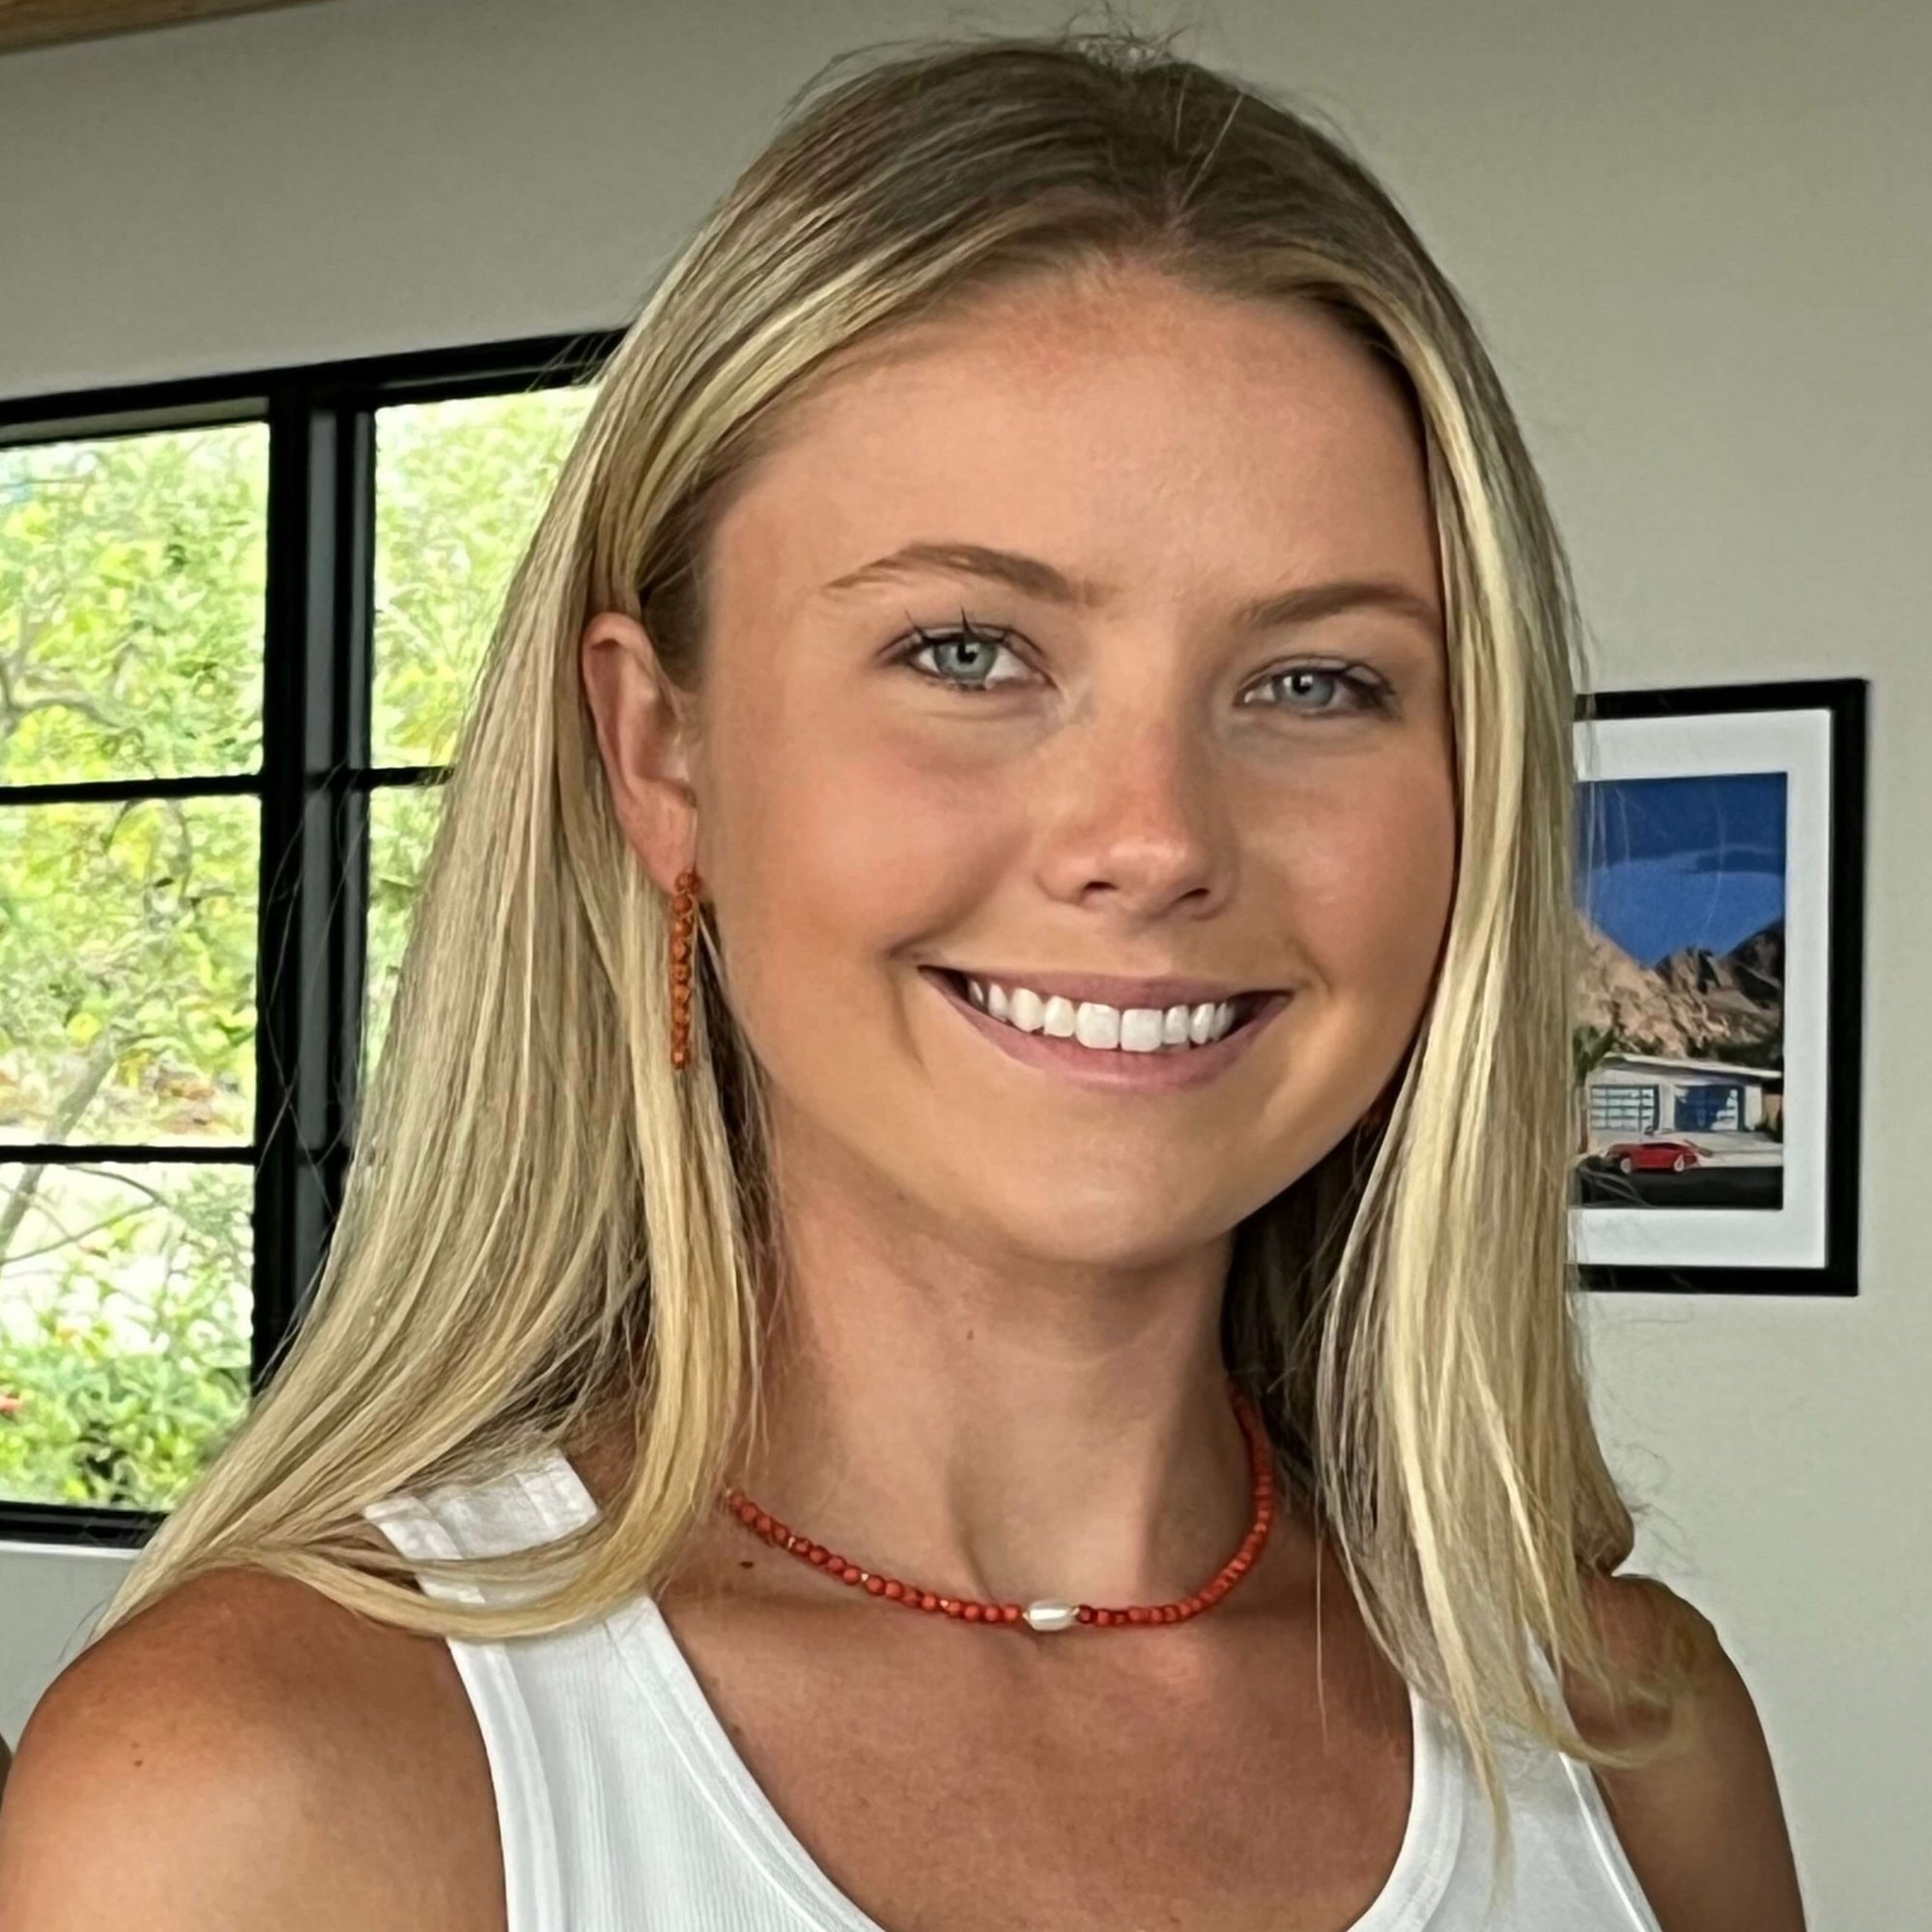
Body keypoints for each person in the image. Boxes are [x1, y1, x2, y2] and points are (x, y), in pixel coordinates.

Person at [0, 25, 1804, 1931]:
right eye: (967, 650)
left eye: (1313, 680)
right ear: (662, 752)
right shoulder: (267, 1784)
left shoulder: (1628, 1742)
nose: (1150, 832)